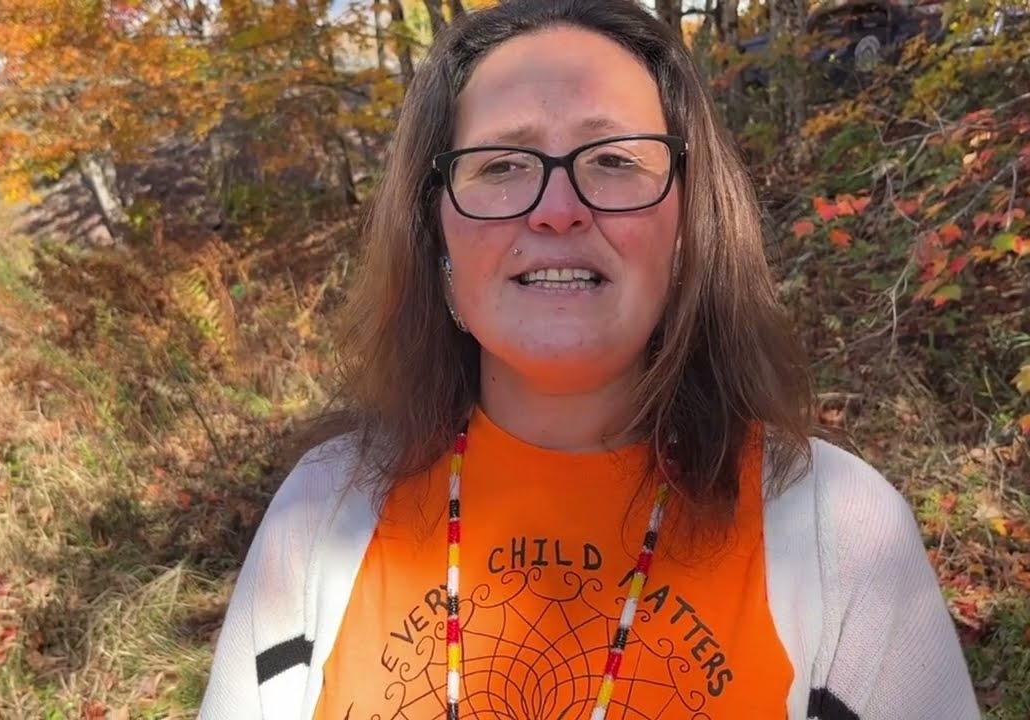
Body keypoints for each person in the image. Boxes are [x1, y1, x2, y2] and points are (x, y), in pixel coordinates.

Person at [199, 0, 981, 717]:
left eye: (613, 160)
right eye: (501, 165)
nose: (558, 210)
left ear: (689, 229)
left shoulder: (840, 532)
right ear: (434, 237)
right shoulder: (325, 510)